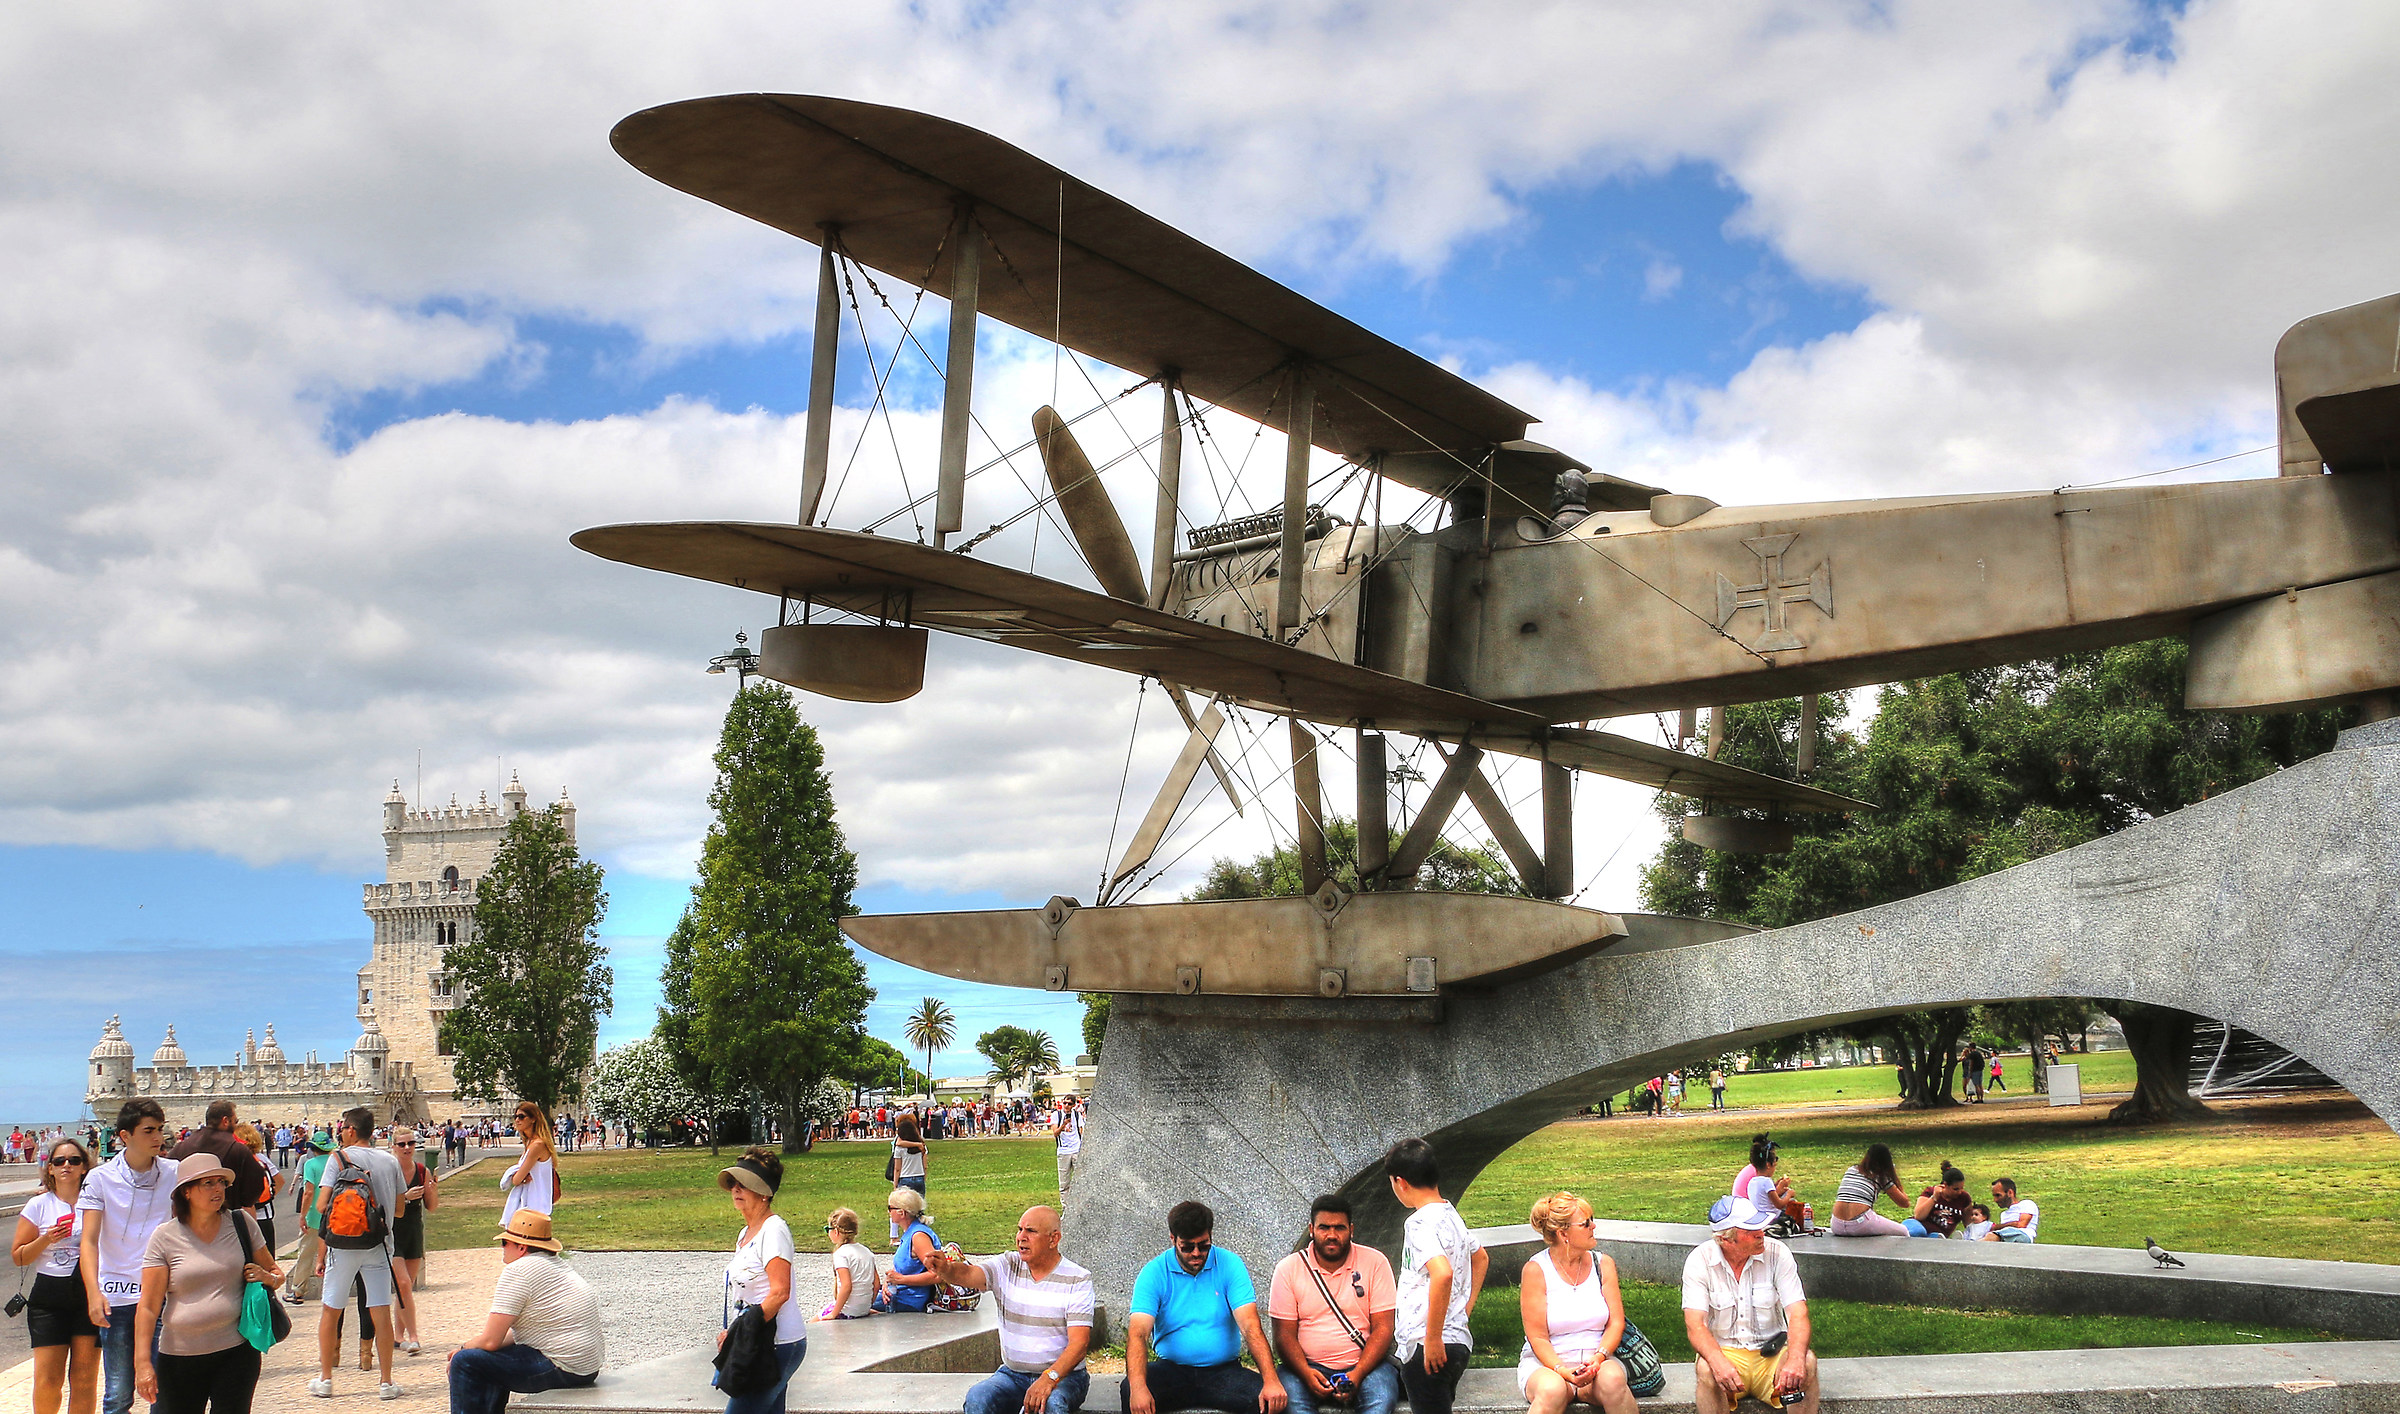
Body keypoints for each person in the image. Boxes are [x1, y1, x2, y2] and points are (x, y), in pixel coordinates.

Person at [133, 1154, 283, 1414]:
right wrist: (143, 1363)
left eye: (221, 1182)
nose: (218, 1189)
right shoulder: (164, 1237)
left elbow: (276, 1273)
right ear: (186, 1192)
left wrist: (267, 1278)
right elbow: (147, 1306)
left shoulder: (241, 1223)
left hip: (237, 1353)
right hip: (179, 1357)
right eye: (208, 1183)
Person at [922, 1207, 1094, 1414]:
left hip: (1064, 1377)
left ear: (1053, 1239)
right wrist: (946, 1269)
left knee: (1052, 1404)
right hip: (1013, 1374)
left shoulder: (1078, 1278)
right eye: (1020, 1229)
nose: (1021, 1237)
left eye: (1031, 1231)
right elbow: (969, 1274)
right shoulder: (1007, 1264)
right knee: (978, 1398)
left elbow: (1079, 1344)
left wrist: (1049, 1378)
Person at [1121, 1200, 1284, 1414]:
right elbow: (1138, 1334)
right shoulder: (1154, 1272)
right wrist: (1138, 1388)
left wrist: (1271, 1380)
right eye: (1187, 1247)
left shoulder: (1230, 1264)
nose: (1196, 1253)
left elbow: (1250, 1327)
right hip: (1171, 1371)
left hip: (1224, 1372)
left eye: (1204, 1245)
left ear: (1211, 1237)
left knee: (1269, 1401)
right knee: (1130, 1390)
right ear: (1173, 1239)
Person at [80, 1098, 182, 1414]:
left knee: (164, 1391)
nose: (158, 1137)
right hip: (117, 1295)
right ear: (125, 1135)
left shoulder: (175, 1172)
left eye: (160, 1129)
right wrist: (93, 1293)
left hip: (162, 1293)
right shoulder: (100, 1178)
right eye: (149, 1131)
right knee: (118, 1393)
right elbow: (89, 1240)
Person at [447, 1211, 604, 1414]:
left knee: (465, 1362)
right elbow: (512, 1337)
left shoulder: (519, 1271)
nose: (502, 1248)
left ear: (521, 1247)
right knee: (486, 1358)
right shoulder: (556, 1265)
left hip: (562, 1368)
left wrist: (462, 1349)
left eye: (505, 1243)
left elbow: (490, 1341)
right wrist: (476, 1349)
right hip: (586, 1368)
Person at [1683, 1198, 1816, 1414]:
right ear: (1726, 1240)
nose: (1761, 1234)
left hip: (1773, 1352)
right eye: (1751, 1230)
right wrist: (1718, 1362)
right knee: (1707, 1369)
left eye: (1760, 1227)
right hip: (1725, 1352)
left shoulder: (1778, 1253)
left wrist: (1795, 1358)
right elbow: (1695, 1325)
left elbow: (1798, 1313)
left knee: (1807, 1362)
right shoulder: (1699, 1261)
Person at [310, 1106, 407, 1400]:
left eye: (342, 1127)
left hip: (342, 1245)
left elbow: (321, 1206)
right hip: (378, 1245)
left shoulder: (338, 1158)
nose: (340, 1132)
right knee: (380, 1311)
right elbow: (399, 1210)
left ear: (351, 1130)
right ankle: (386, 1381)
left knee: (331, 1309)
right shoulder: (390, 1161)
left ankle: (326, 1379)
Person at [1269, 1194, 1397, 1414]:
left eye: (1339, 1228)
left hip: (1366, 1365)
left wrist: (1357, 1374)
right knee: (1294, 1405)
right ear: (1311, 1229)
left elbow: (1384, 1328)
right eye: (1324, 1228)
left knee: (1381, 1399)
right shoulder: (1288, 1269)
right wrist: (1305, 1373)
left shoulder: (1375, 1262)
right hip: (1305, 1367)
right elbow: (1283, 1336)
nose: (1332, 1235)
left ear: (1351, 1230)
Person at [1387, 1138, 1485, 1414]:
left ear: (1400, 1182)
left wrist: (1432, 1338)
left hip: (1426, 1345)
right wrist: (1463, 1311)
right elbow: (1481, 1257)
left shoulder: (1418, 1223)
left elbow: (1442, 1274)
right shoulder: (1449, 1214)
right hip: (1456, 1341)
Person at [1516, 1193, 1635, 1414]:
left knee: (1613, 1380)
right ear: (1563, 1234)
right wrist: (1562, 1371)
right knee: (1551, 1390)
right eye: (1585, 1223)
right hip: (1548, 1365)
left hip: (1598, 1361)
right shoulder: (1536, 1270)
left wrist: (1599, 1357)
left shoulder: (1604, 1264)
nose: (1593, 1226)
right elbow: (1537, 1337)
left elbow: (1616, 1323)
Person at [714, 1148, 806, 1414]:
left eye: (745, 1184)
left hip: (778, 1343)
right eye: (734, 1183)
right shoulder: (746, 1233)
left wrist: (741, 1332)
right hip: (760, 1341)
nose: (736, 1189)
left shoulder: (773, 1231)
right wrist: (734, 1331)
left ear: (764, 1193)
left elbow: (780, 1292)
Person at [15, 1136, 101, 1414]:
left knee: (85, 1379)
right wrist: (46, 1239)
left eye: (74, 1160)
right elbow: (19, 1256)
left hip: (88, 1292)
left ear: (84, 1167)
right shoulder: (39, 1205)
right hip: (49, 1296)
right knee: (49, 1379)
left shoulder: (96, 1203)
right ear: (50, 1168)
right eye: (59, 1161)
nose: (67, 1166)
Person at [165, 1104, 269, 1227]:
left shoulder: (181, 1147)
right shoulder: (237, 1149)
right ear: (225, 1121)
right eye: (235, 1121)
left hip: (186, 1221)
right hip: (225, 1221)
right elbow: (255, 1184)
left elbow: (167, 1178)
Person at [388, 1128, 438, 1355]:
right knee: (404, 1284)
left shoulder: (421, 1171)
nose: (407, 1148)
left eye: (411, 1143)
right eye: (402, 1144)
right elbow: (383, 1204)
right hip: (392, 1232)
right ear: (394, 1147)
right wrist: (405, 1198)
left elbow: (432, 1206)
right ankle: (414, 1336)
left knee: (405, 1288)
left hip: (413, 1232)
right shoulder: (389, 1171)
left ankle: (398, 1337)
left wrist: (432, 1190)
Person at [874, 1187, 942, 1313]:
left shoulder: (919, 1237)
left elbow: (937, 1275)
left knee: (853, 1305)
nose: (888, 1212)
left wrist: (901, 1280)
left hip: (910, 1299)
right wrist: (888, 1282)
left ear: (902, 1213)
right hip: (900, 1293)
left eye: (890, 1208)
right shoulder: (910, 1232)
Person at [287, 1133, 335, 1306]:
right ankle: (331, 1292)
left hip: (314, 1216)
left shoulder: (310, 1164)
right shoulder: (335, 1162)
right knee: (332, 1255)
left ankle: (298, 1291)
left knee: (306, 1254)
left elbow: (308, 1192)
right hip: (333, 1215)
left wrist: (302, 1215)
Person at [1827, 1144, 1909, 1238]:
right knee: (1903, 1231)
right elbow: (1904, 1203)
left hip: (1836, 1224)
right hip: (1860, 1224)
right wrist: (1893, 1176)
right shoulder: (1881, 1177)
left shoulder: (1852, 1170)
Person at [501, 1103, 557, 1227]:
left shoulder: (537, 1145)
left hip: (535, 1207)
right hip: (530, 1205)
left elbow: (516, 1180)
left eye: (521, 1117)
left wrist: (518, 1176)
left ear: (533, 1119)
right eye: (515, 1117)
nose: (517, 1120)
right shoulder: (530, 1143)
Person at [819, 1209, 880, 1319]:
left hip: (846, 1311)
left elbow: (846, 1286)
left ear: (836, 1231)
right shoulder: (867, 1252)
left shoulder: (840, 1254)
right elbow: (876, 1284)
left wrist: (834, 1313)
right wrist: (866, 1307)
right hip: (863, 1309)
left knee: (813, 1323)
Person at [1905, 1164, 1972, 1239]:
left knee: (1936, 1238)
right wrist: (1934, 1197)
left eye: (1962, 1188)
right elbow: (1919, 1216)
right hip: (1916, 1225)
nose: (1959, 1192)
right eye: (1955, 1189)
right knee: (1918, 1232)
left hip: (1938, 1234)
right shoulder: (1930, 1191)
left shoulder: (1964, 1198)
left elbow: (1969, 1224)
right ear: (1945, 1185)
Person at [890, 1111, 928, 1241]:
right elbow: (925, 1165)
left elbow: (897, 1168)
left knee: (898, 1208)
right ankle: (919, 1234)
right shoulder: (922, 1147)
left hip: (905, 1178)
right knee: (918, 1209)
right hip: (919, 1177)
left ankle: (894, 1236)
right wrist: (923, 1177)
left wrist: (895, 1184)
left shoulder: (899, 1148)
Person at [1990, 1178, 2038, 1244]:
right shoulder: (2004, 1214)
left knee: (1992, 1236)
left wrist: (1998, 1227)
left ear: (2010, 1192)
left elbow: (2021, 1225)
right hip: (2008, 1240)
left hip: (2023, 1235)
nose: (1995, 1200)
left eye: (1998, 1195)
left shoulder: (2026, 1204)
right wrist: (2011, 1224)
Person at [1054, 1101, 1083, 1200]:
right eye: (1065, 1103)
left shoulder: (1077, 1115)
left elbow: (1081, 1130)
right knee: (1064, 1183)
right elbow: (1055, 1133)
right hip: (1063, 1151)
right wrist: (1063, 1125)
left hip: (1076, 1150)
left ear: (1073, 1105)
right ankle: (1065, 1206)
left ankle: (1079, 1203)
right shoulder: (1057, 1115)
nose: (1066, 1105)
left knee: (1080, 1179)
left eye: (1069, 1104)